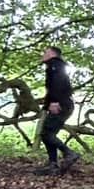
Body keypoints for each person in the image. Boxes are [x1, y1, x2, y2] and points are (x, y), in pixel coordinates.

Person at [35, 46, 80, 176]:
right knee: (47, 134)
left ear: (52, 54)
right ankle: (52, 164)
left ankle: (68, 153)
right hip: (62, 104)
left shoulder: (56, 65)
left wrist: (54, 102)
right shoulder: (54, 66)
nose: (42, 54)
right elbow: (53, 88)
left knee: (46, 134)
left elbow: (58, 84)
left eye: (45, 52)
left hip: (61, 105)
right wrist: (46, 105)